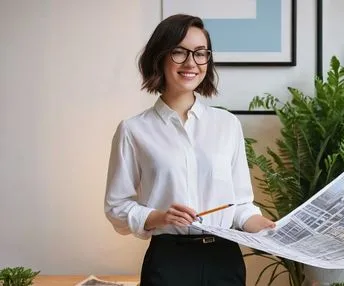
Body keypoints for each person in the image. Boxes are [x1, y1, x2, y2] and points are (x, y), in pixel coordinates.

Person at [104, 14, 275, 286]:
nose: (191, 63)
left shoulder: (227, 125)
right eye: (179, 52)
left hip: (225, 259)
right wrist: (158, 217)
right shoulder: (133, 130)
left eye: (200, 53)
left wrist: (266, 227)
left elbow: (240, 204)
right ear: (160, 57)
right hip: (168, 260)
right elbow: (117, 207)